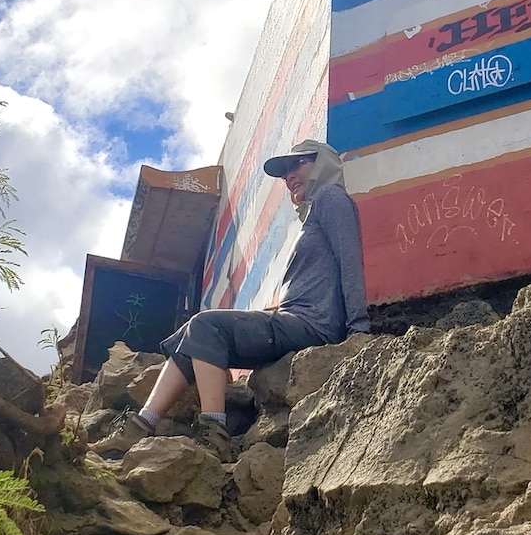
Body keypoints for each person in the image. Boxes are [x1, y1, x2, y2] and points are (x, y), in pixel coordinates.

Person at [96, 139, 369, 461]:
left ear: (321, 162)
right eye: (284, 171)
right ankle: (138, 428)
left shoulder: (331, 198)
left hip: (314, 326)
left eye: (297, 164)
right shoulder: (311, 215)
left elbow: (350, 263)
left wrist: (359, 330)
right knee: (190, 338)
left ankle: (214, 432)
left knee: (206, 323)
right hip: (294, 319)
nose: (288, 175)